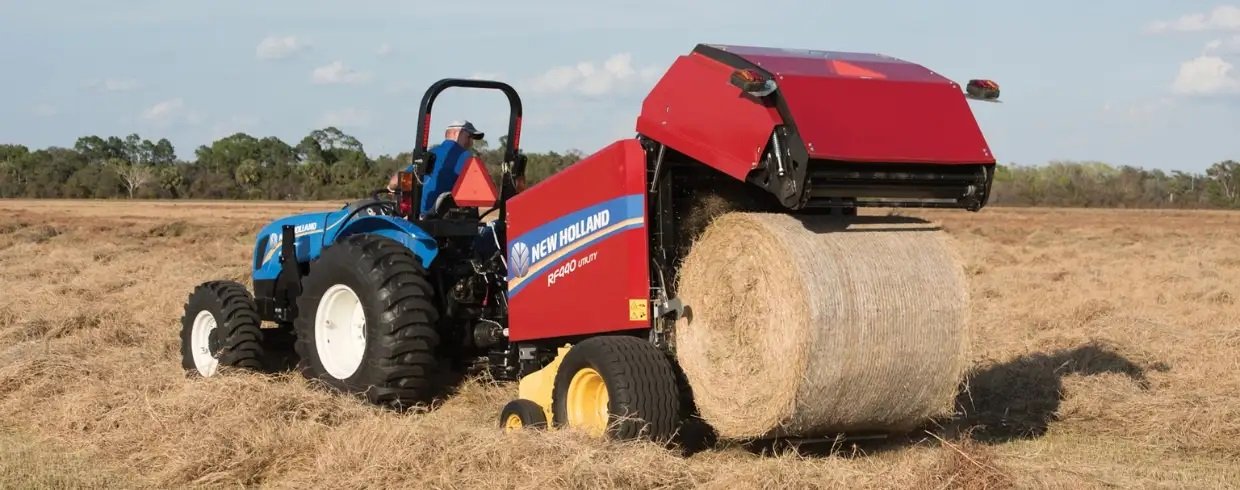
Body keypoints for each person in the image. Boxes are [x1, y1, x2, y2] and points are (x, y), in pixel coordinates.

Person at [387, 120, 485, 216]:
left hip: (419, 219)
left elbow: (395, 182)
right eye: (469, 137)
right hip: (446, 221)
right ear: (456, 134)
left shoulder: (429, 154)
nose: (471, 142)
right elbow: (480, 192)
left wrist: (391, 189)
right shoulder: (466, 157)